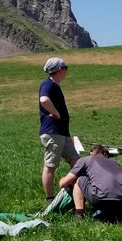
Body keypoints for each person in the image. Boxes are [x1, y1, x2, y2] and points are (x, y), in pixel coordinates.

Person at [59, 144, 122, 221]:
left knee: (79, 179)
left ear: (91, 152)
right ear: (105, 154)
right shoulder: (115, 162)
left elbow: (63, 183)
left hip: (101, 197)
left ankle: (79, 214)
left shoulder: (86, 159)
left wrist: (61, 179)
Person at [39, 57, 78, 200]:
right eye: (65, 68)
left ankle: (74, 191)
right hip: (53, 133)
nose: (66, 72)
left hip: (62, 133)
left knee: (77, 162)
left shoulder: (54, 86)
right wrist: (56, 113)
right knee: (51, 166)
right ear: (60, 69)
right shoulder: (48, 84)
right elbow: (44, 100)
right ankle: (50, 199)